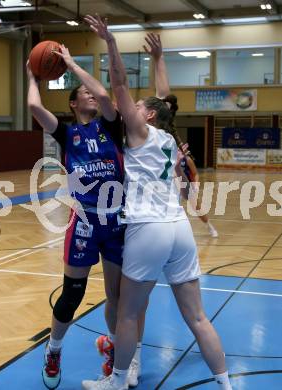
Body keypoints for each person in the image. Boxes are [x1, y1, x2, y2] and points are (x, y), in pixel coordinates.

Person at [82, 15, 232, 390]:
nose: (134, 106)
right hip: (180, 229)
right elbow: (165, 98)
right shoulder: (169, 137)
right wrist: (159, 59)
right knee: (198, 318)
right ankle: (227, 384)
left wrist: (111, 43)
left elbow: (118, 83)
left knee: (129, 314)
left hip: (148, 228)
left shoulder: (140, 131)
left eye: (139, 106)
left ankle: (118, 380)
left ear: (146, 114)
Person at [27, 45, 142, 389]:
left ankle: (111, 345)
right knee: (72, 294)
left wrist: (72, 63)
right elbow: (34, 106)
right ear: (74, 104)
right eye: (83, 94)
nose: (91, 94)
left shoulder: (112, 124)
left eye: (92, 91)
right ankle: (54, 349)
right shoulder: (67, 133)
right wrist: (32, 75)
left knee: (116, 296)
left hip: (117, 221)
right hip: (86, 222)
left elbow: (106, 93)